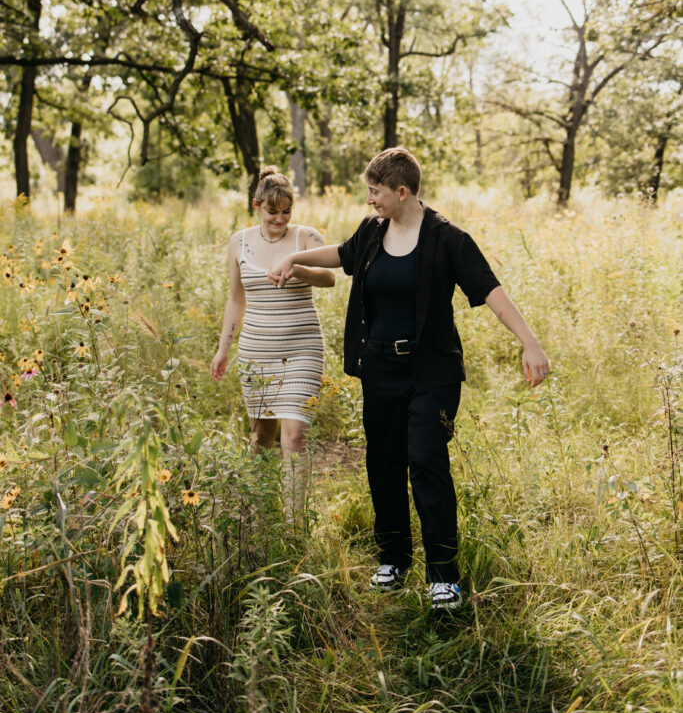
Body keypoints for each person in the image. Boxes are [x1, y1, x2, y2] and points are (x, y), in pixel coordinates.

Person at [269, 147, 550, 611]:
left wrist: (530, 342)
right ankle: (394, 557)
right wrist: (293, 261)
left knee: (426, 461)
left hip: (432, 371)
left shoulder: (447, 239)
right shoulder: (373, 231)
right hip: (379, 368)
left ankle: (444, 575)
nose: (369, 201)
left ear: (402, 191)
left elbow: (491, 291)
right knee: (383, 462)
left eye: (375, 192)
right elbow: (341, 255)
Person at [211, 167, 335, 521]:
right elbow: (236, 299)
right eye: (272, 211)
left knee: (294, 438)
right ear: (257, 205)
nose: (280, 218)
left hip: (302, 349)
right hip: (256, 351)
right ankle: (262, 518)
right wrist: (224, 349)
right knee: (261, 441)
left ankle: (295, 526)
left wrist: (297, 267)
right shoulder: (240, 241)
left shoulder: (305, 237)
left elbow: (329, 278)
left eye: (286, 211)